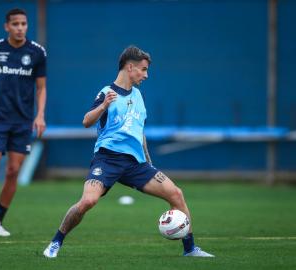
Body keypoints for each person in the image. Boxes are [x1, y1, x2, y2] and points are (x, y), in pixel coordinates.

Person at [43, 46, 214, 258]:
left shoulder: (139, 96)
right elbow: (86, 121)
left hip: (136, 164)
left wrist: (148, 162)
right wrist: (104, 105)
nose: (146, 74)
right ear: (130, 67)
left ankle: (190, 249)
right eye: (143, 69)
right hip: (107, 159)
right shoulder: (107, 93)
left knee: (176, 194)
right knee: (88, 201)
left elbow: (138, 132)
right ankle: (55, 242)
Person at [0, 8, 47, 237]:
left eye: (23, 23)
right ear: (7, 26)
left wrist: (40, 114)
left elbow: (41, 87)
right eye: (15, 24)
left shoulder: (37, 52)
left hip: (23, 122)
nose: (20, 27)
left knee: (13, 171)